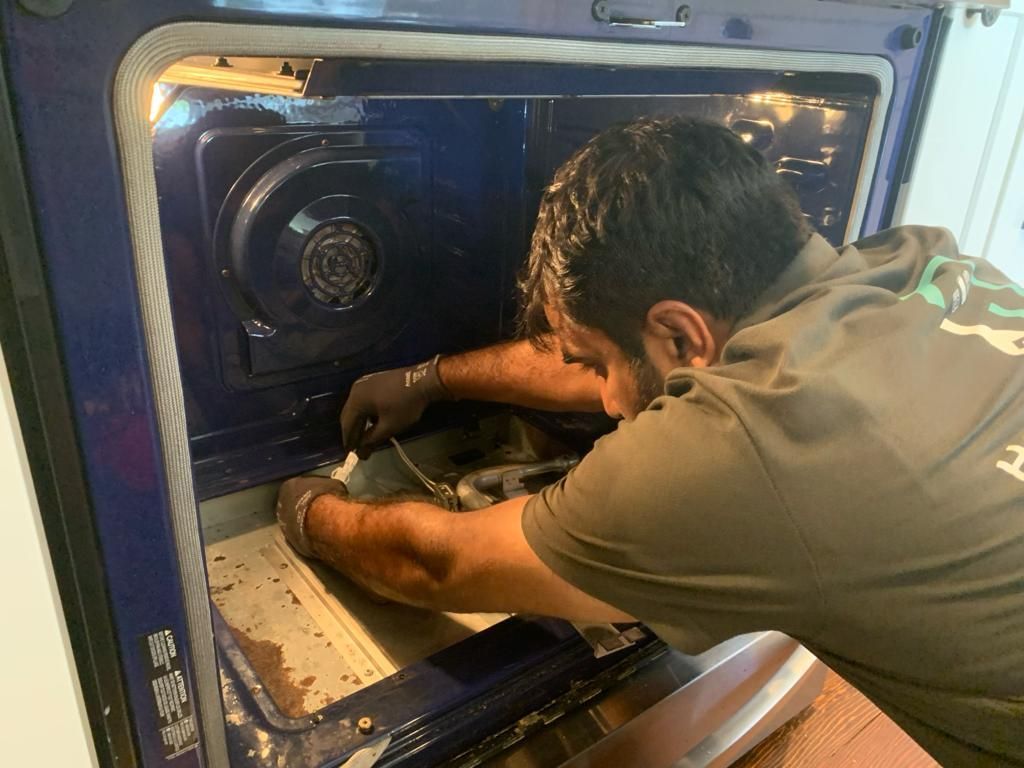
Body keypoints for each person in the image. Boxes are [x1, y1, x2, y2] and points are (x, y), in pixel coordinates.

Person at [276, 117, 1024, 766]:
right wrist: (428, 379)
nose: (605, 401)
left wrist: (310, 512)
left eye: (601, 365)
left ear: (678, 331)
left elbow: (433, 563)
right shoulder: (921, 264)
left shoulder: (747, 449)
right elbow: (648, 362)